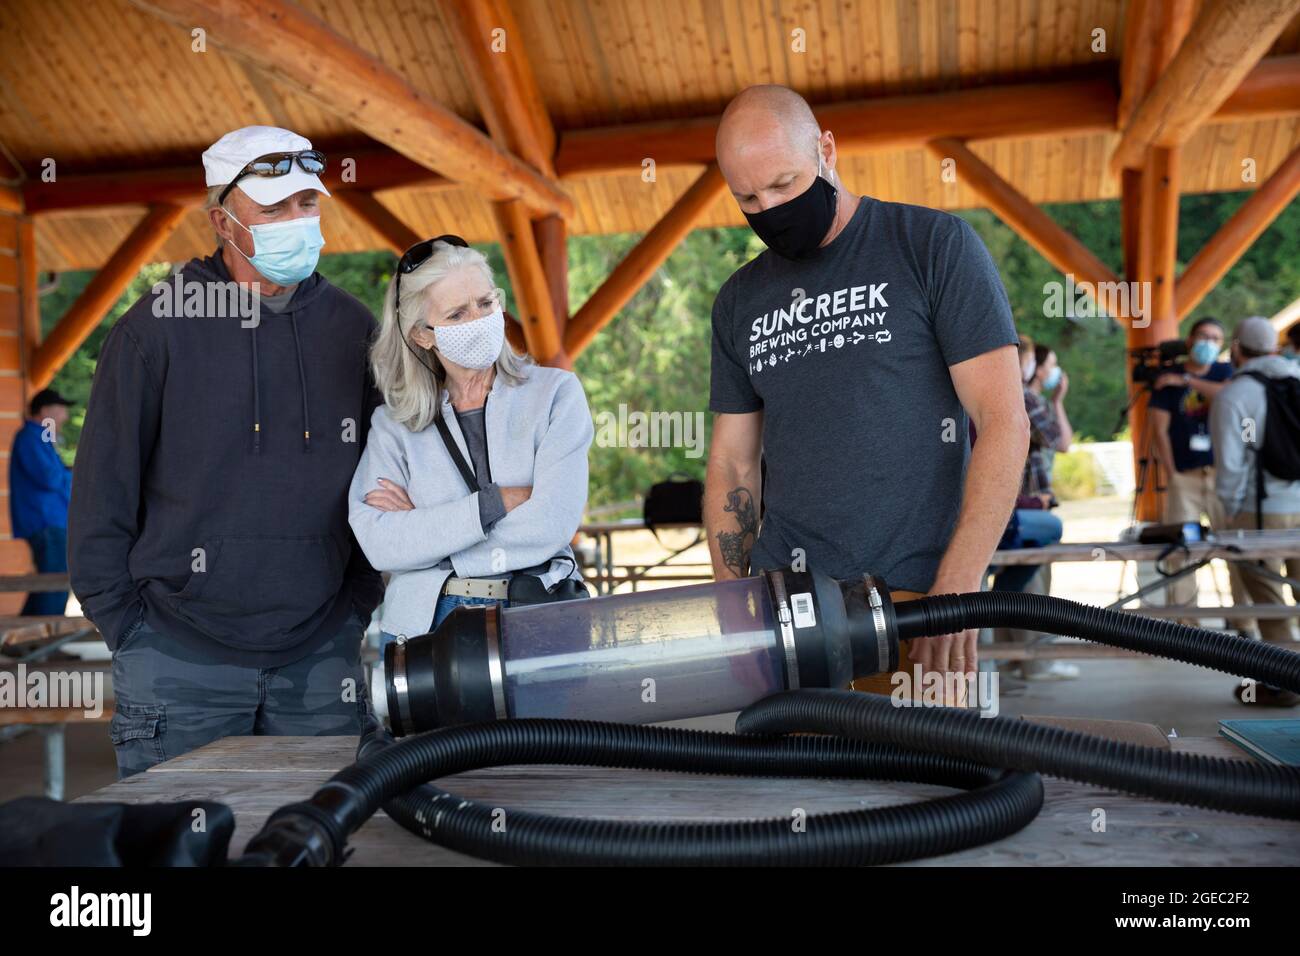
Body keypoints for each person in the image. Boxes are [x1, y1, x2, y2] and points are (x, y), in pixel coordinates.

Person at [69, 126, 384, 777]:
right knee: (182, 846)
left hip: (322, 658)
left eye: (307, 204)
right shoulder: (153, 331)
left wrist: (356, 606)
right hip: (178, 661)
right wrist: (131, 631)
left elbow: (384, 482)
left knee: (321, 842)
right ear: (223, 220)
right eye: (273, 209)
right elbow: (101, 500)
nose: (298, 222)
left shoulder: (354, 332)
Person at [705, 85, 1028, 701]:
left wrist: (957, 589)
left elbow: (1004, 421)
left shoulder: (932, 246)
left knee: (930, 791)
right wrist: (732, 598)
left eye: (784, 184)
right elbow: (731, 460)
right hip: (788, 610)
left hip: (915, 605)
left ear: (827, 150)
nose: (768, 207)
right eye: (747, 197)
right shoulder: (739, 300)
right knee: (791, 790)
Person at [348, 237, 592, 651]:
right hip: (429, 628)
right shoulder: (393, 424)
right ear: (424, 336)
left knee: (554, 722)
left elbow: (551, 524)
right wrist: (493, 505)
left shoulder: (555, 394)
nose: (478, 319)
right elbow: (381, 544)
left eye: (485, 303)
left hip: (539, 614)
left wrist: (429, 532)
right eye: (457, 313)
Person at [1209, 316, 1300, 707]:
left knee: (1269, 600)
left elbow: (1231, 465)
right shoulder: (1297, 379)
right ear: (1275, 348)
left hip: (1260, 513)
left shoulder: (1236, 395)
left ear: (1236, 349)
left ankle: (1287, 683)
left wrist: (1230, 512)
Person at [1147, 317, 1234, 610]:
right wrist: (1171, 473)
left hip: (1222, 475)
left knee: (1235, 546)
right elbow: (1159, 429)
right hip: (1184, 475)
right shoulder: (1165, 380)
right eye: (1203, 336)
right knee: (1180, 549)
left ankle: (1243, 618)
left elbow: (1230, 395)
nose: (1208, 343)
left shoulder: (1225, 372)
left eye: (1215, 338)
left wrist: (1186, 381)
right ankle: (1185, 621)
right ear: (1189, 340)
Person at [10, 389, 74, 616]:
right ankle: (47, 643)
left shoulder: (41, 438)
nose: (64, 417)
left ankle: (23, 641)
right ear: (46, 411)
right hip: (45, 521)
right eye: (61, 410)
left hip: (51, 520)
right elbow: (50, 478)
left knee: (47, 581)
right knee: (55, 581)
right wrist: (72, 474)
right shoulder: (31, 437)